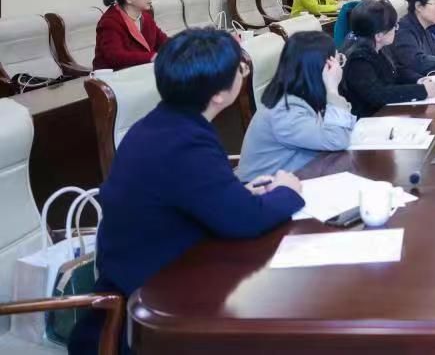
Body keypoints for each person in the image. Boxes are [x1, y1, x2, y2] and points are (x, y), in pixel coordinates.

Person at [68, 29, 304, 354]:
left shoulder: (160, 123)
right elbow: (246, 220)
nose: (244, 73)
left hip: (162, 278)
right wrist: (288, 190)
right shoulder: (186, 141)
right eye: (241, 68)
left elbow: (192, 194)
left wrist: (238, 191)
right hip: (143, 315)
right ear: (219, 94)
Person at [237, 31, 356, 181]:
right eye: (337, 62)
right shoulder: (286, 109)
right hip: (261, 189)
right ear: (322, 68)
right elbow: (337, 139)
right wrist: (332, 89)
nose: (339, 69)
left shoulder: (302, 95)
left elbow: (344, 128)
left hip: (296, 176)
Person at [340, 0, 435, 117]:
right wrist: (421, 91)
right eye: (394, 26)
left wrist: (419, 79)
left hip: (384, 114)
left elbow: (395, 71)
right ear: (379, 35)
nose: (396, 29)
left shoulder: (377, 47)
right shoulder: (358, 59)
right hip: (369, 119)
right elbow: (378, 94)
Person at [94, 0, 169, 70]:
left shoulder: (146, 17)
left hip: (139, 71)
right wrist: (152, 57)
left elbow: (162, 41)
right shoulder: (110, 22)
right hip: (114, 75)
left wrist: (182, 46)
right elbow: (115, 57)